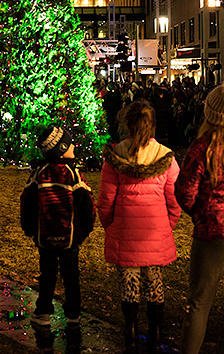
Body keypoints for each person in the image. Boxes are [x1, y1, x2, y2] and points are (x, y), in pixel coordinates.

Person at [97, 99, 181, 352]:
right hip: (155, 230)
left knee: (129, 283)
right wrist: (168, 226)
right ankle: (155, 332)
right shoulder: (165, 157)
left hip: (126, 228)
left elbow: (105, 201)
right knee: (155, 282)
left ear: (127, 124)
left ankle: (131, 328)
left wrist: (110, 226)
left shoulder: (115, 157)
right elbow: (174, 200)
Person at [20, 125, 95, 327]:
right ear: (61, 149)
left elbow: (27, 202)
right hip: (70, 237)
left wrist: (28, 229)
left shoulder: (39, 174)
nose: (74, 147)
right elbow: (87, 203)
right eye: (70, 145)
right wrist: (86, 229)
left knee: (48, 274)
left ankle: (43, 312)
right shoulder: (73, 174)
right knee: (71, 275)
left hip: (44, 236)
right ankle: (73, 314)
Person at [175, 84, 224, 354]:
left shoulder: (203, 147)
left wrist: (200, 213)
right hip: (211, 226)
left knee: (200, 302)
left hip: (212, 230)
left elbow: (185, 190)